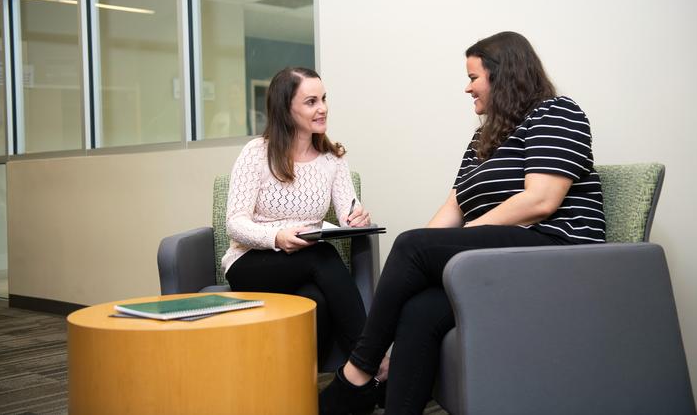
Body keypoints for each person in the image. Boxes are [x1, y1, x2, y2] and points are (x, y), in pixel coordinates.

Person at [319, 31, 606, 415]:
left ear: (503, 76)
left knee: (412, 245)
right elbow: (454, 206)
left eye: (473, 77)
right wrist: (427, 250)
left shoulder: (556, 112)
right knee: (418, 309)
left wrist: (455, 241)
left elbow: (541, 200)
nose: (467, 88)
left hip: (557, 254)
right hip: (506, 260)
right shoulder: (482, 139)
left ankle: (358, 371)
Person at [223, 66, 371, 367]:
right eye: (311, 102)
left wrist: (357, 217)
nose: (323, 109)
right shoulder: (256, 153)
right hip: (251, 262)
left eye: (324, 99)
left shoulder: (333, 159)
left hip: (304, 265)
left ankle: (305, 388)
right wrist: (276, 237)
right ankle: (371, 362)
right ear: (285, 109)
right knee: (323, 256)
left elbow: (347, 212)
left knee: (315, 302)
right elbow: (234, 223)